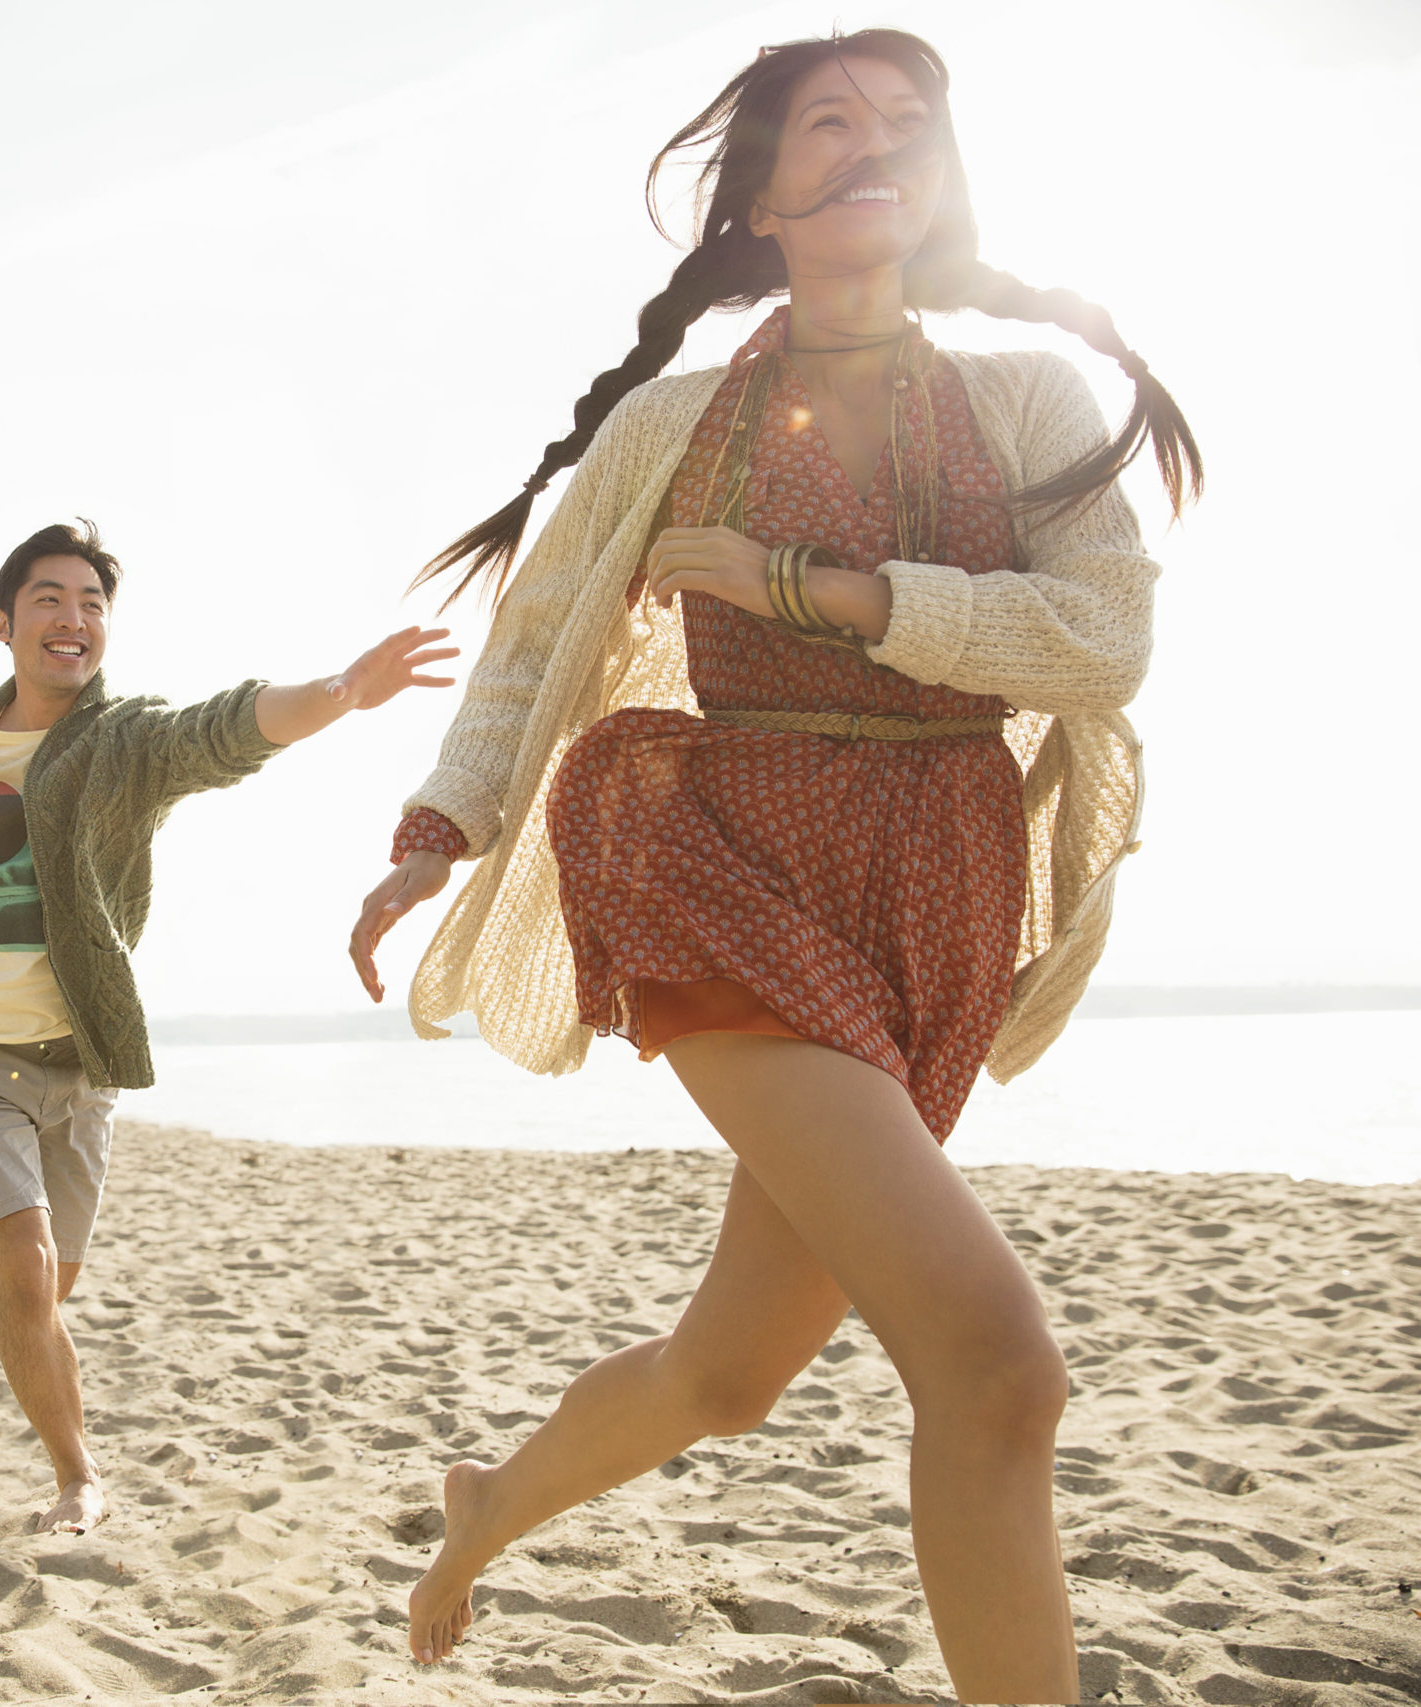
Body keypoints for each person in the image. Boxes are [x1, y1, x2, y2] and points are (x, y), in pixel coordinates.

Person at [346, 31, 1198, 1702]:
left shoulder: (1029, 399)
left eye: (906, 123)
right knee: (998, 1365)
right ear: (764, 194)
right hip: (712, 854)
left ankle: (487, 1504)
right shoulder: (674, 425)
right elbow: (534, 646)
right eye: (830, 121)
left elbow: (1102, 637)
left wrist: (822, 589)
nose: (874, 143)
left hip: (931, 896)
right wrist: (436, 830)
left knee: (727, 1373)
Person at [0, 519, 454, 1537]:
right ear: (4, 623)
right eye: (51, 600)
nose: (73, 620)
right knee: (23, 1272)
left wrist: (337, 693)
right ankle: (77, 1478)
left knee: (54, 1287)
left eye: (92, 604)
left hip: (78, 1061)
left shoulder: (122, 744)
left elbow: (224, 729)